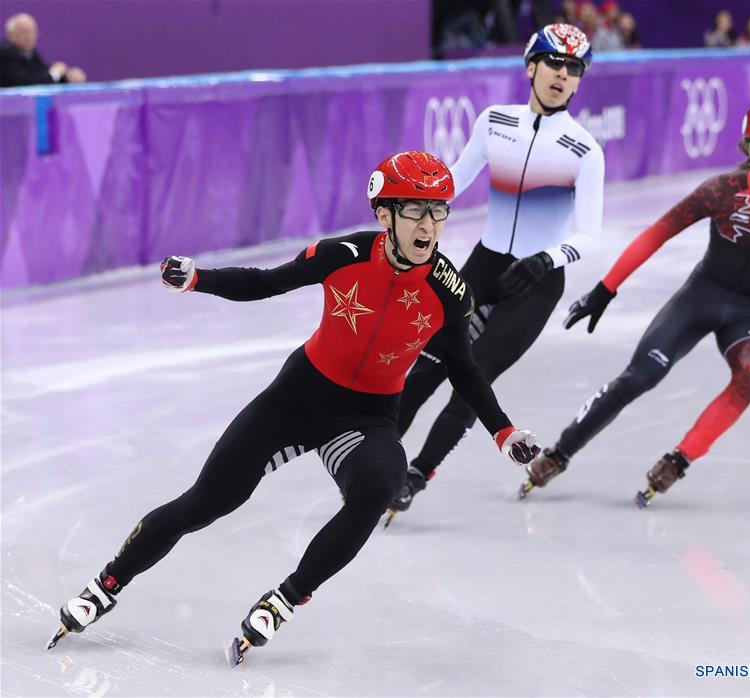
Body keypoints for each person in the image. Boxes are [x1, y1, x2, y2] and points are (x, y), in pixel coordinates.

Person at [46, 151, 541, 665]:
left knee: (380, 486)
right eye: (415, 210)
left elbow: (462, 365)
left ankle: (286, 598)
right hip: (297, 399)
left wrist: (502, 431)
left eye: (438, 212)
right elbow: (266, 283)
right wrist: (200, 279)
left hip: (366, 418)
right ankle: (106, 584)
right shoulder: (343, 253)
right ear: (384, 215)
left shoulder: (448, 288)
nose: (429, 225)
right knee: (207, 502)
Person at [520, 100, 750, 507]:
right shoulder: (721, 191)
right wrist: (606, 289)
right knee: (640, 376)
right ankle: (561, 451)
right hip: (702, 297)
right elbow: (658, 232)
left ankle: (678, 460)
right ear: (749, 147)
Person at [386, 23, 604, 521]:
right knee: (428, 365)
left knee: (473, 380)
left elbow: (589, 235)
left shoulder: (584, 150)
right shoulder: (494, 121)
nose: (562, 75)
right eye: (553, 63)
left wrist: (547, 259)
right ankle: (381, 452)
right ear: (531, 67)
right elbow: (452, 184)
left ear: (578, 81)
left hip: (536, 282)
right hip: (482, 266)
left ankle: (416, 474)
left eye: (573, 69)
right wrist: (408, 209)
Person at [0, 13, 85, 87]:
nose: (30, 37)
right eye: (25, 32)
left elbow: (42, 73)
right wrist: (54, 73)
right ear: (11, 34)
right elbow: (26, 84)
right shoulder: (5, 52)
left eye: (33, 32)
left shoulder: (30, 52)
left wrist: (68, 78)